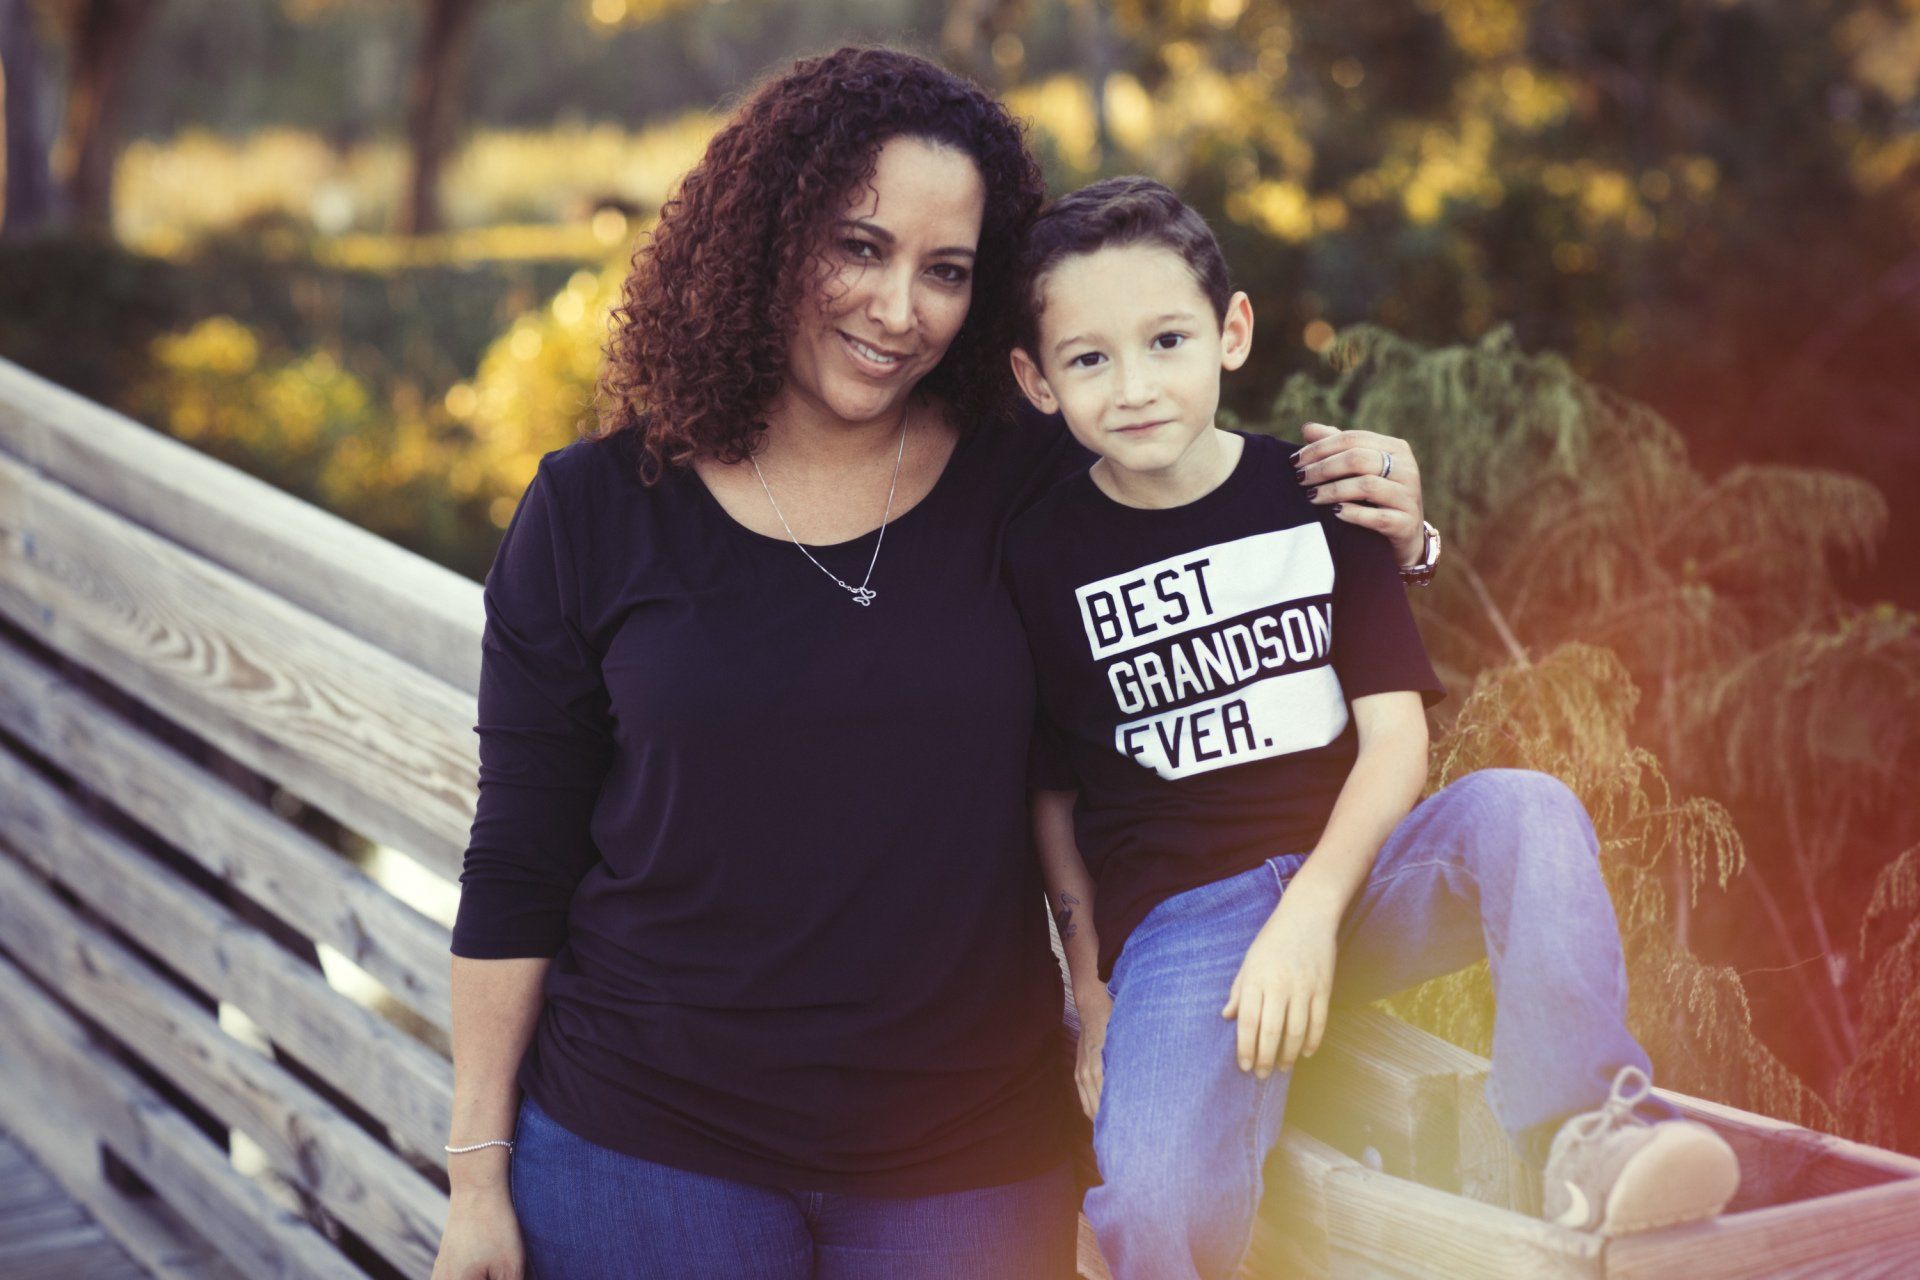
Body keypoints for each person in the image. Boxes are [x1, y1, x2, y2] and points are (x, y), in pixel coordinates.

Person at [431, 48, 1437, 1280]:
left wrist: (1398, 523)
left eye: (947, 271)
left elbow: (1238, 527)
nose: (899, 308)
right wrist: (475, 1176)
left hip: (970, 1158)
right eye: (857, 247)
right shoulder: (595, 510)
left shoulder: (1045, 480)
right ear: (763, 238)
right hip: (644, 1147)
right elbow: (519, 853)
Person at [998, 174, 1743, 1280]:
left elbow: (1397, 740)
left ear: (1232, 330)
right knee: (1150, 1206)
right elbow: (1053, 792)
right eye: (1090, 358)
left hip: (1364, 879)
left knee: (1528, 807)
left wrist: (1307, 911)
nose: (1137, 385)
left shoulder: (1319, 490)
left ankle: (1586, 1132)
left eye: (1166, 340)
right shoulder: (1039, 554)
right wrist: (1093, 992)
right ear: (1037, 380)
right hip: (1187, 933)